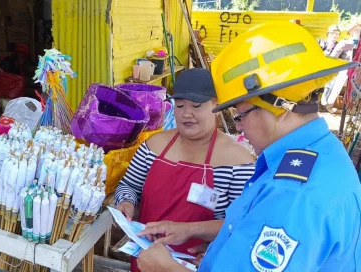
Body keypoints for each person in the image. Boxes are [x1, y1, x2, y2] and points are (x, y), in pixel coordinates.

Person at [136, 21, 361, 272]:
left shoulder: (293, 195)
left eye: (241, 115)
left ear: (282, 106)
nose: (239, 128)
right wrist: (194, 232)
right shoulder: (321, 151)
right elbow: (248, 225)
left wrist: (164, 268)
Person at [114, 68, 255, 272]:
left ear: (216, 105)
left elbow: (244, 224)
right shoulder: (154, 146)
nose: (186, 113)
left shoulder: (238, 161)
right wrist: (126, 201)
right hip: (147, 258)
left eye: (196, 106)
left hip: (198, 264)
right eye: (179, 105)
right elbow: (129, 185)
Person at [321, 22, 361, 113]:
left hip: (356, 70)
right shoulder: (345, 42)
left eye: (359, 30)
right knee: (334, 86)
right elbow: (333, 56)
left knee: (355, 88)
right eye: (356, 30)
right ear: (351, 32)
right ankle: (327, 105)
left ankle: (352, 108)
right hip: (343, 68)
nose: (358, 32)